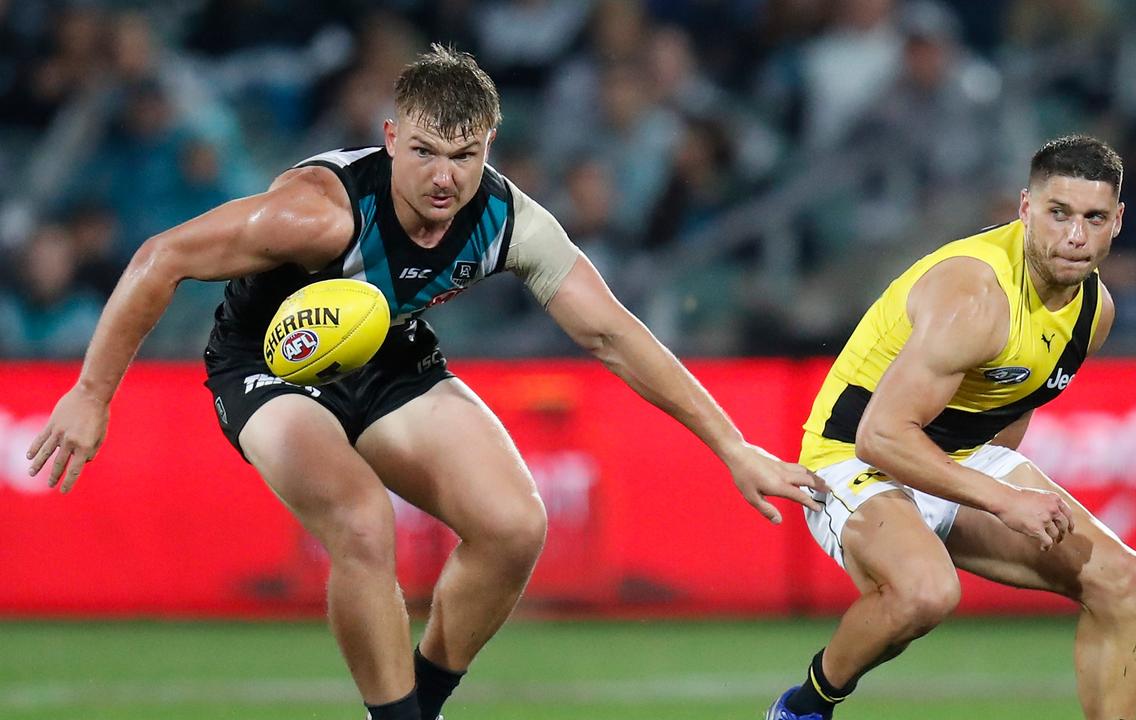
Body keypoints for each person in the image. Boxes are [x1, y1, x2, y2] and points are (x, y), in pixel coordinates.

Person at [26, 45, 823, 720]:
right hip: (268, 363)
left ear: (490, 147)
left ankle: (420, 709)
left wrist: (731, 445)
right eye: (424, 153)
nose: (445, 179)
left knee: (514, 526)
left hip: (385, 352)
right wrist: (93, 394)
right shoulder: (318, 214)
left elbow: (612, 332)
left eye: (466, 155)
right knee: (363, 522)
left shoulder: (511, 221)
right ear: (389, 138)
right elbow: (158, 258)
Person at [766, 135, 1136, 720]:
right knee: (926, 592)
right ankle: (804, 708)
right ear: (1025, 209)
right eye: (1059, 213)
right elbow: (881, 436)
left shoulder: (1094, 312)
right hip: (854, 455)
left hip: (957, 453)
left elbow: (1014, 403)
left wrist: (981, 493)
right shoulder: (976, 295)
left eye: (1094, 218)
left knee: (1123, 579)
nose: (1076, 237)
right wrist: (1002, 501)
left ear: (1117, 221)